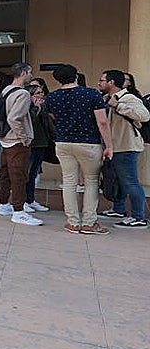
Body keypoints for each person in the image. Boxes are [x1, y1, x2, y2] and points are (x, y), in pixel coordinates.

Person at [45, 63, 113, 234]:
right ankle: (89, 222)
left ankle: (73, 222)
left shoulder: (52, 97)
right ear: (76, 76)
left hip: (63, 143)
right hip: (89, 143)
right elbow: (102, 122)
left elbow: (53, 117)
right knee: (91, 182)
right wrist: (109, 145)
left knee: (69, 182)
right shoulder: (91, 94)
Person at [97, 69, 149, 228]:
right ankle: (119, 209)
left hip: (126, 146)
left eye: (102, 80)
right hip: (114, 147)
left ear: (111, 82)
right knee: (118, 180)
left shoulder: (128, 98)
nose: (99, 83)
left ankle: (139, 217)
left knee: (130, 182)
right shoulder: (107, 98)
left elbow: (144, 115)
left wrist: (119, 106)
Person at [0, 63, 41, 226]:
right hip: (16, 140)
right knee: (19, 175)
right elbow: (14, 118)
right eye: (30, 73)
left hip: (5, 138)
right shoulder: (22, 94)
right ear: (23, 73)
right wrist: (24, 138)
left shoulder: (5, 90)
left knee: (5, 173)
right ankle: (19, 211)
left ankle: (4, 204)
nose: (31, 76)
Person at [23, 78, 54, 215]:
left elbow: (48, 125)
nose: (41, 95)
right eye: (37, 93)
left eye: (41, 92)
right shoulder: (28, 108)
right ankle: (22, 200)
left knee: (34, 173)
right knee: (27, 174)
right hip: (30, 144)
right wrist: (36, 108)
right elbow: (30, 122)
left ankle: (30, 199)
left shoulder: (43, 107)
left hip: (42, 143)